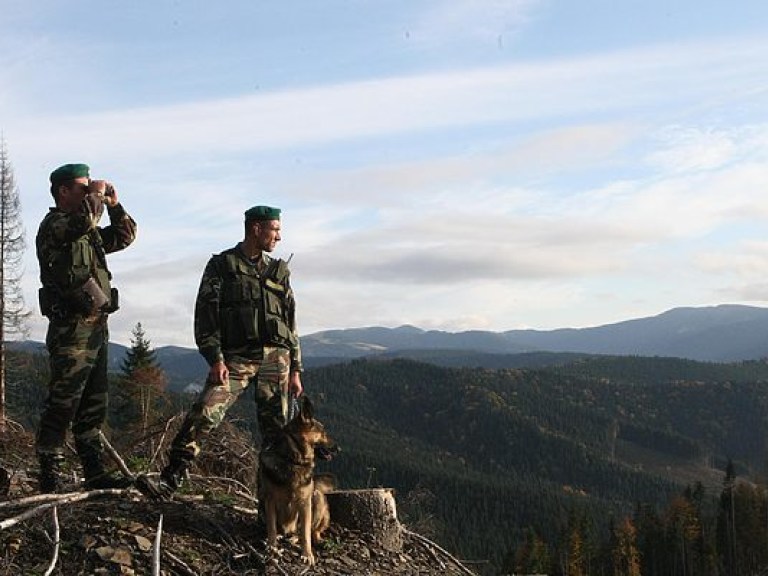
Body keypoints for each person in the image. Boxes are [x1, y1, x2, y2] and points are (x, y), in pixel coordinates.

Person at [148, 205, 303, 497]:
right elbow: (205, 316)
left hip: (276, 360)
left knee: (278, 434)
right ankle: (170, 479)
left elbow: (290, 322)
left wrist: (296, 368)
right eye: (275, 229)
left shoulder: (278, 272)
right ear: (256, 228)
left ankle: (271, 506)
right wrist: (215, 358)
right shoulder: (222, 265)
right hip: (236, 358)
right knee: (205, 412)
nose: (279, 237)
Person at [35, 163, 137, 492]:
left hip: (96, 326)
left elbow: (125, 236)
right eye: (82, 186)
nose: (89, 190)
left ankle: (94, 472)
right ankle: (49, 475)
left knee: (94, 403)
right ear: (64, 191)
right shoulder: (56, 225)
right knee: (63, 402)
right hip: (70, 329)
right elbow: (84, 220)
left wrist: (114, 204)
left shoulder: (85, 231)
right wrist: (95, 196)